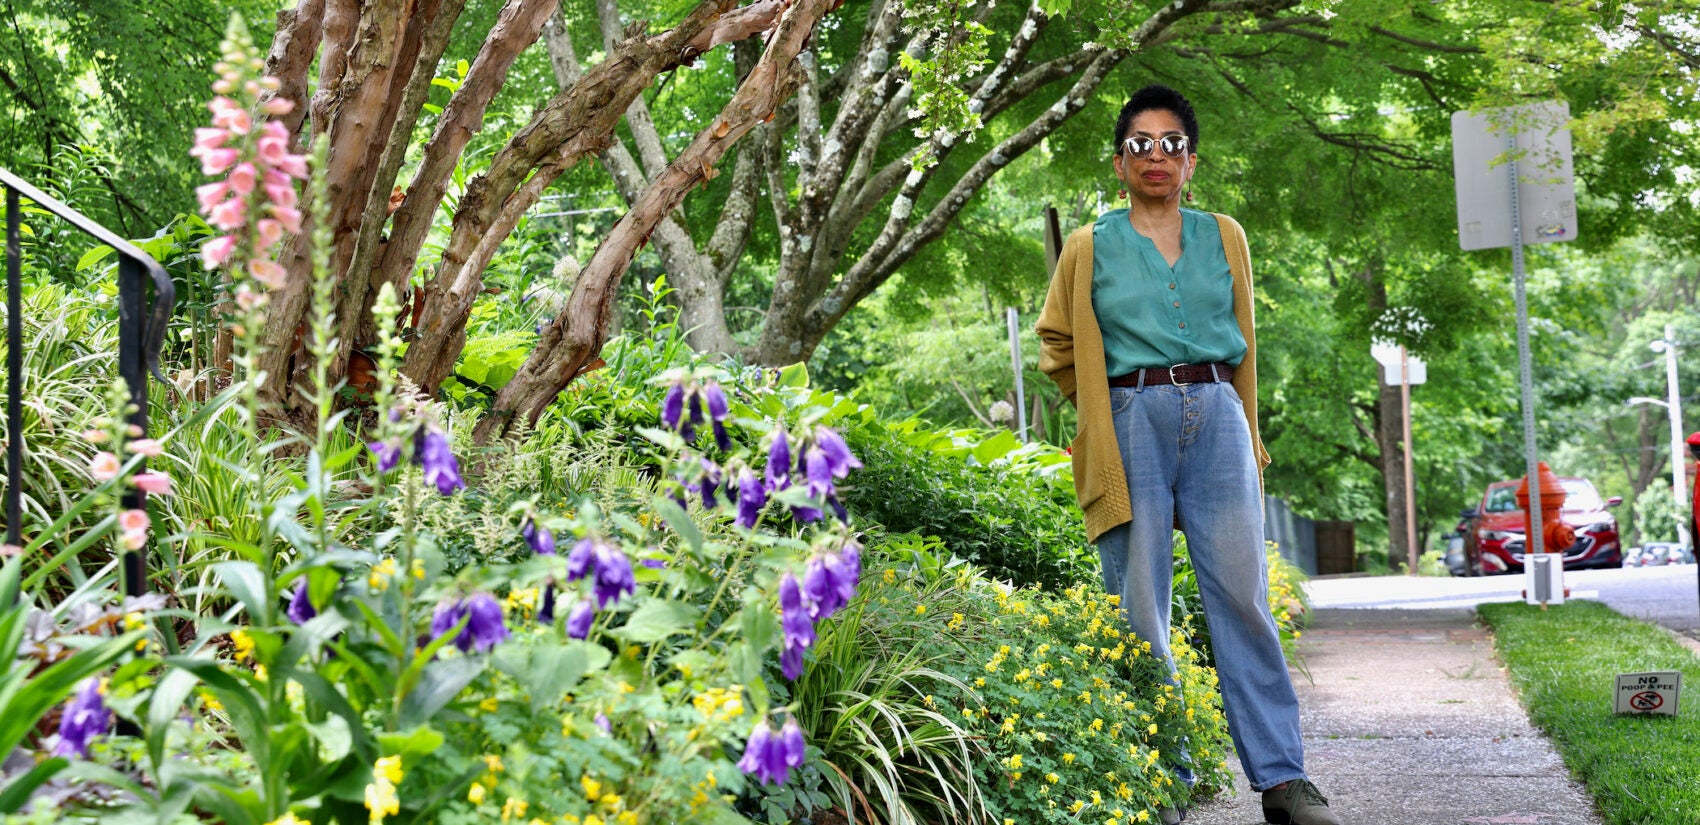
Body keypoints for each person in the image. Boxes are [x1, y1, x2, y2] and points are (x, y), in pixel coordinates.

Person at [1035, 84, 1341, 825]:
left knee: (1243, 597)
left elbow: (1247, 343)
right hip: (1130, 416)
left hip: (1219, 416)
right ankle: (1163, 778)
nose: (1157, 157)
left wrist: (1241, 418)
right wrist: (1105, 416)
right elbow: (1057, 343)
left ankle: (1283, 780)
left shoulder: (1224, 235)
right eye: (1141, 144)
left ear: (1191, 162)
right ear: (1119, 162)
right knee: (1140, 604)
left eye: (1172, 144)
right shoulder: (1089, 245)